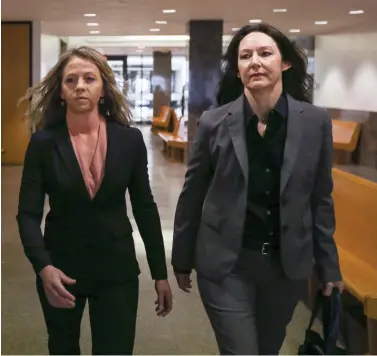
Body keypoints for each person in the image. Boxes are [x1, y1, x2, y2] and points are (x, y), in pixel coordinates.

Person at [171, 23, 344, 355]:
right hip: (226, 264)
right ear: (237, 70)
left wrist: (328, 265)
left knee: (268, 349)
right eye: (245, 56)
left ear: (285, 63)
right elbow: (193, 193)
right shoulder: (213, 121)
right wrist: (181, 257)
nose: (255, 62)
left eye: (265, 53)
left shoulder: (315, 122)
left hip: (286, 267)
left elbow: (321, 198)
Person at [16, 46, 172, 355]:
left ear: (103, 88)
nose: (80, 86)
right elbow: (27, 214)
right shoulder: (44, 143)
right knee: (62, 348)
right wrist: (43, 268)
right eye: (70, 80)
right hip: (61, 267)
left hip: (116, 269)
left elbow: (144, 206)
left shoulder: (129, 140)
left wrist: (160, 273)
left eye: (89, 78)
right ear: (60, 92)